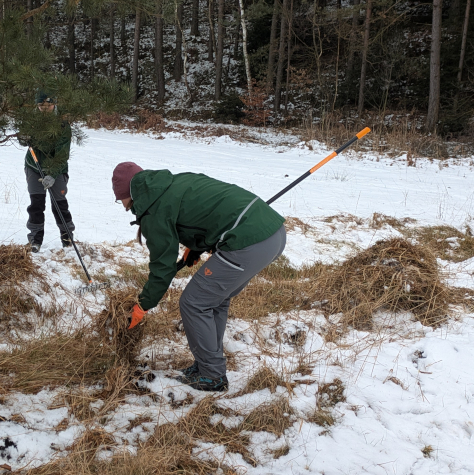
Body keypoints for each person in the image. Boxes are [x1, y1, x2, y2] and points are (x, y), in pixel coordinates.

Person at [111, 162, 286, 392]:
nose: (121, 204)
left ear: (127, 194)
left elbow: (161, 267)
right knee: (215, 300)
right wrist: (196, 246)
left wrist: (142, 305)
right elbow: (205, 213)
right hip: (272, 234)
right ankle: (207, 364)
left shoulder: (153, 209)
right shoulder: (171, 184)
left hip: (247, 241)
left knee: (194, 303)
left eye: (119, 198)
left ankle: (212, 376)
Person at [19, 90, 75, 253]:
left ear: (54, 104)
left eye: (49, 104)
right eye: (41, 105)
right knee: (36, 204)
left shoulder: (62, 124)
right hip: (34, 166)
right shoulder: (30, 120)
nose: (45, 108)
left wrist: (52, 173)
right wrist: (23, 137)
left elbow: (62, 154)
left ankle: (67, 239)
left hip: (56, 169)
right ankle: (35, 240)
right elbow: (22, 139)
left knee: (59, 204)